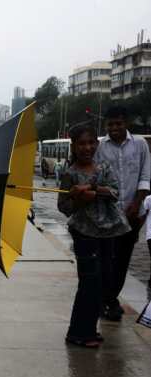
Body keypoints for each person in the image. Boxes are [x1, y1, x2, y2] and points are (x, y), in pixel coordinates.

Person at [58, 124, 131, 348]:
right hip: (84, 233)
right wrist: (78, 197)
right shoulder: (69, 174)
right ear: (74, 146)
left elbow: (115, 191)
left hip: (109, 232)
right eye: (81, 143)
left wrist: (93, 190)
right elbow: (64, 207)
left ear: (97, 144)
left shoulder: (104, 167)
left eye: (91, 143)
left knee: (103, 280)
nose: (87, 147)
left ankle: (89, 328)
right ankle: (79, 332)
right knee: (88, 281)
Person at [95, 106, 151, 320]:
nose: (114, 128)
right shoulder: (100, 147)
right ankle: (107, 300)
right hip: (107, 215)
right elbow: (97, 177)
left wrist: (136, 205)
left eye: (118, 123)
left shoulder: (140, 145)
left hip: (132, 215)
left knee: (122, 262)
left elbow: (145, 177)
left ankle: (110, 298)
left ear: (126, 123)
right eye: (110, 124)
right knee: (107, 260)